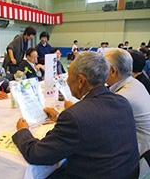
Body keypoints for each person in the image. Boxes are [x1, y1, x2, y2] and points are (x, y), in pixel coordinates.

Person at [12, 51, 139, 179]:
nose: (66, 80)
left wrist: (23, 131)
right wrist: (59, 118)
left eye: (69, 75)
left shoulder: (75, 116)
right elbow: (94, 126)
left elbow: (37, 154)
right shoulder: (122, 102)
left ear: (81, 81)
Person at [104, 48, 150, 178]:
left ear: (113, 71)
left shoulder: (123, 96)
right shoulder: (134, 83)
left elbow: (99, 124)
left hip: (138, 156)